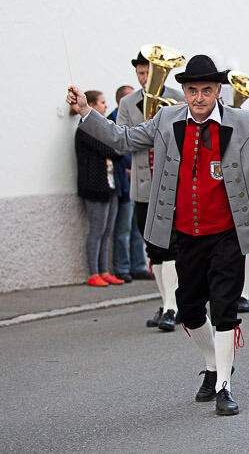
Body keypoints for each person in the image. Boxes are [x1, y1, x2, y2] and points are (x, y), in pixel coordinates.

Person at [67, 54, 249, 416]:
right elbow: (123, 139)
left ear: (217, 91)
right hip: (185, 231)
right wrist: (86, 112)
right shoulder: (167, 118)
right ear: (183, 91)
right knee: (188, 308)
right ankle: (215, 364)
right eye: (192, 90)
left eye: (206, 90)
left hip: (229, 232)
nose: (199, 97)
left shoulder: (244, 120)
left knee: (225, 308)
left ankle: (224, 388)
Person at [117, 50, 184, 329]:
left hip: (171, 183)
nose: (145, 78)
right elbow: (121, 140)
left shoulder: (178, 99)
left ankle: (173, 306)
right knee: (154, 249)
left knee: (170, 246)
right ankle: (166, 301)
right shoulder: (128, 103)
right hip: (144, 185)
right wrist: (148, 130)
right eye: (142, 73)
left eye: (150, 73)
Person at [75, 90, 124, 287]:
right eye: (102, 103)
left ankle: (104, 270)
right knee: (97, 230)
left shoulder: (100, 129)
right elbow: (111, 151)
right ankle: (93, 272)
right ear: (92, 106)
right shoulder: (86, 129)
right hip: (94, 187)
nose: (105, 107)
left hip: (109, 185)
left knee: (108, 231)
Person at [109, 84, 146, 283]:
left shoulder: (137, 118)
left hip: (138, 181)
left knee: (137, 229)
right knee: (122, 229)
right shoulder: (113, 120)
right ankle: (122, 267)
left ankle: (139, 265)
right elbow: (117, 147)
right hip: (124, 181)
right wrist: (128, 168)